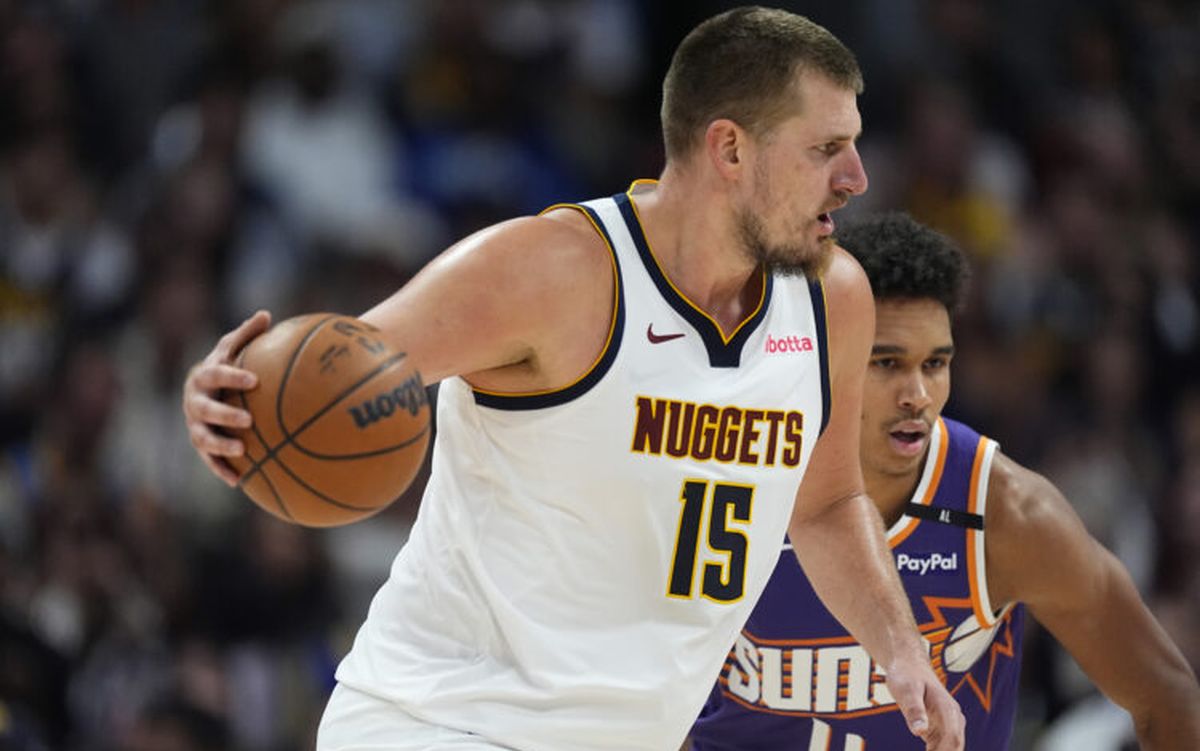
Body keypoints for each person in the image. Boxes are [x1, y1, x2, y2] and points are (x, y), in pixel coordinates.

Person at [182, 8, 965, 751]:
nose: (857, 177)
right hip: (443, 722)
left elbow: (825, 503)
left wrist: (900, 648)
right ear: (730, 150)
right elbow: (337, 374)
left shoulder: (833, 299)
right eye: (826, 149)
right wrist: (227, 393)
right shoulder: (553, 272)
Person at [687, 212, 1200, 750]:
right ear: (826, 358)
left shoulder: (1004, 514)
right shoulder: (732, 483)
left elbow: (1166, 694)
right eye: (886, 363)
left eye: (934, 364)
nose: (917, 395)